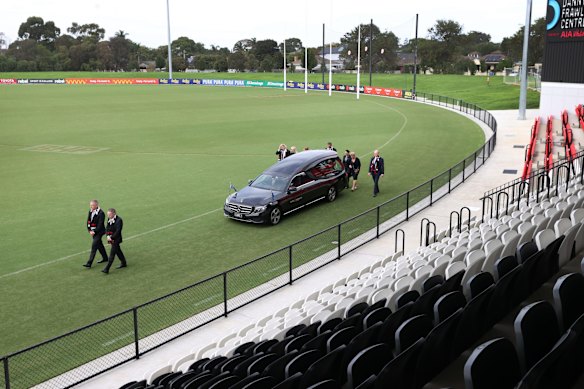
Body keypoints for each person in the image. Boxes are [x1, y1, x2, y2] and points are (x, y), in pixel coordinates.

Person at [83, 200, 108, 268]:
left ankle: (89, 263)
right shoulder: (90, 211)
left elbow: (100, 224)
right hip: (93, 232)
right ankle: (105, 258)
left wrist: (94, 231)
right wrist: (89, 230)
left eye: (92, 205)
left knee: (94, 246)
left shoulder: (101, 213)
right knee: (99, 245)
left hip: (99, 232)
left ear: (96, 205)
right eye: (90, 205)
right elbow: (88, 221)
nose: (91, 206)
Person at [102, 208, 127, 274]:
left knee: (112, 254)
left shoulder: (119, 220)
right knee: (118, 251)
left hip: (116, 239)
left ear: (114, 213)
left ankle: (107, 268)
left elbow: (118, 231)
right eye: (108, 214)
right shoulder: (109, 219)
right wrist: (107, 235)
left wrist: (111, 237)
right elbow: (107, 228)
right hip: (111, 238)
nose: (108, 216)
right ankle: (124, 263)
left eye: (109, 214)